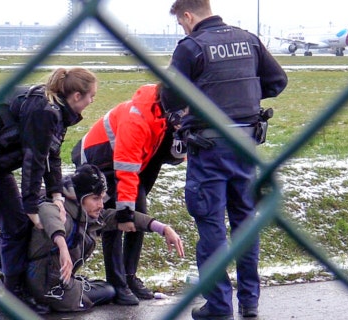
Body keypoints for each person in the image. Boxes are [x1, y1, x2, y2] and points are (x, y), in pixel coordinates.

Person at [160, 1, 288, 319]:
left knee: (211, 227)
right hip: (246, 146)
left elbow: (170, 97)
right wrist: (244, 98)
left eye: (180, 22)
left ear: (188, 16)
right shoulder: (249, 39)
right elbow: (277, 81)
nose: (182, 28)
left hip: (208, 149)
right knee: (245, 224)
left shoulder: (191, 47)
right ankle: (250, 303)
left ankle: (218, 307)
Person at [0, 67, 98, 319]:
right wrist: (31, 206)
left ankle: (13, 291)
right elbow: (34, 161)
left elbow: (52, 154)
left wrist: (57, 196)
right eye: (91, 95)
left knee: (16, 225)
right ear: (75, 96)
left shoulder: (57, 112)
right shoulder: (44, 110)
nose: (92, 100)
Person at [71, 82, 184, 305]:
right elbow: (125, 168)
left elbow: (167, 157)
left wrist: (181, 139)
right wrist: (125, 213)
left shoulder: (163, 112)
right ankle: (117, 282)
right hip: (100, 159)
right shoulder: (137, 118)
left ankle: (130, 277)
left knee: (139, 213)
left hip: (129, 163)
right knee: (116, 218)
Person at [26, 163, 185, 312]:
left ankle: (73, 287)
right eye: (95, 198)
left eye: (102, 198)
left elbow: (123, 217)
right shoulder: (61, 212)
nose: (101, 204)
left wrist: (163, 228)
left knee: (106, 288)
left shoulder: (88, 216)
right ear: (79, 198)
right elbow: (48, 213)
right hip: (45, 286)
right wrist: (61, 245)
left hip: (58, 281)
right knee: (108, 291)